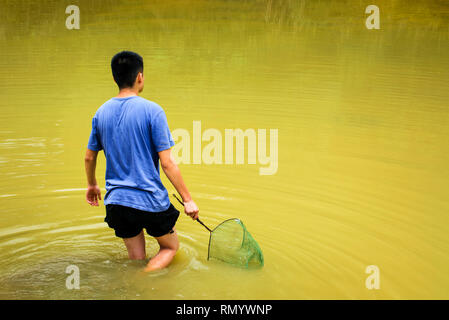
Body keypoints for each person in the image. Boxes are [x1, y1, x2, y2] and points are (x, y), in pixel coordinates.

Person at [84, 51, 199, 272]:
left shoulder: (100, 113)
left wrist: (92, 185)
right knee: (170, 248)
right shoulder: (153, 111)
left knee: (136, 259)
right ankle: (142, 281)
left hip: (117, 201)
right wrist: (188, 199)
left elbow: (89, 156)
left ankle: (133, 283)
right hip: (149, 200)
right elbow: (167, 163)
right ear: (140, 77)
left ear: (115, 78)